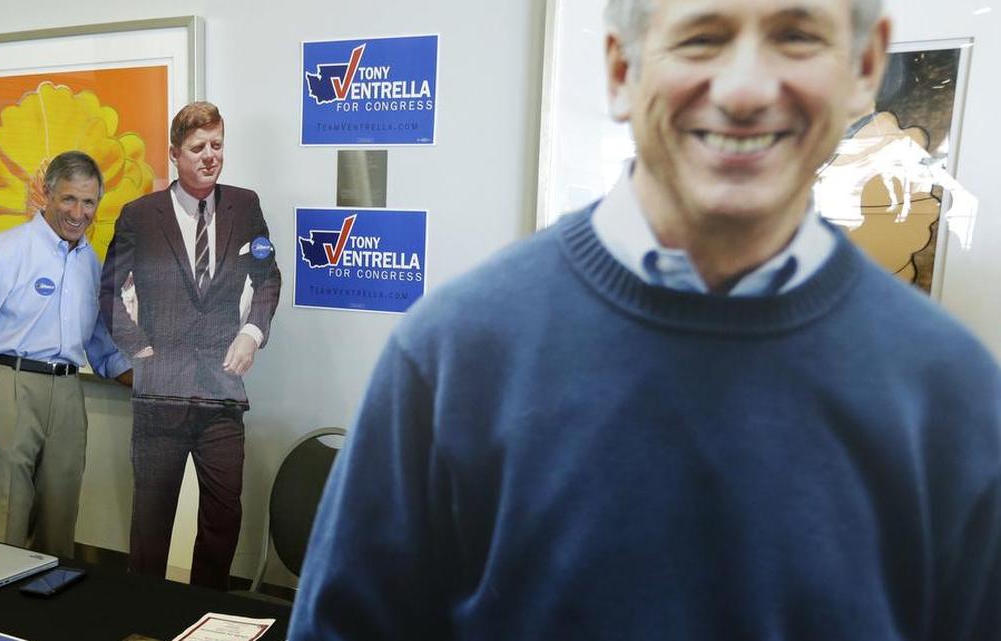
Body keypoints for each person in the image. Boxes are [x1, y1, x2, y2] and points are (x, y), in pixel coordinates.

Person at [289, 0, 1001, 639]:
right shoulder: (452, 355)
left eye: (795, 34)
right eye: (701, 37)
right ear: (621, 70)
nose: (746, 88)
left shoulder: (955, 395)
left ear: (864, 66)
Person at [100, 101, 281, 590]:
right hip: (160, 397)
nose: (210, 157)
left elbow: (267, 279)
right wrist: (138, 350)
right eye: (198, 148)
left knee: (223, 517)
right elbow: (110, 291)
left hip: (221, 396)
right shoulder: (140, 215)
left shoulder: (245, 206)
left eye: (217, 145)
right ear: (174, 154)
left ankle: (204, 613)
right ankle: (146, 615)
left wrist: (251, 332)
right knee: (151, 521)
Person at [0, 150, 132, 559]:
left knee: (60, 517)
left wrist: (154, 382)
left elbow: (100, 343)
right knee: (3, 513)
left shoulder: (89, 264)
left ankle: (44, 615)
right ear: (47, 194)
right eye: (69, 199)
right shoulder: (7, 250)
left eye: (89, 202)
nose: (79, 213)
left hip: (68, 393)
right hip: (10, 385)